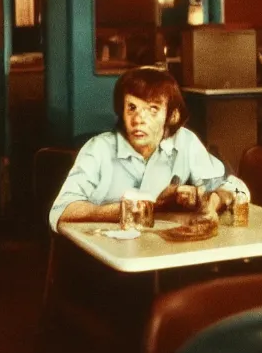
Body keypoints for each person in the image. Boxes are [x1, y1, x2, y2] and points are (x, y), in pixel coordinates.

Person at [49, 66, 248, 232]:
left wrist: (210, 203)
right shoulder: (98, 149)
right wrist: (135, 209)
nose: (138, 119)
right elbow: (61, 211)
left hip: (162, 257)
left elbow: (236, 187)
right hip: (106, 260)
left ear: (173, 116)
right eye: (132, 108)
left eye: (152, 109)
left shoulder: (185, 142)